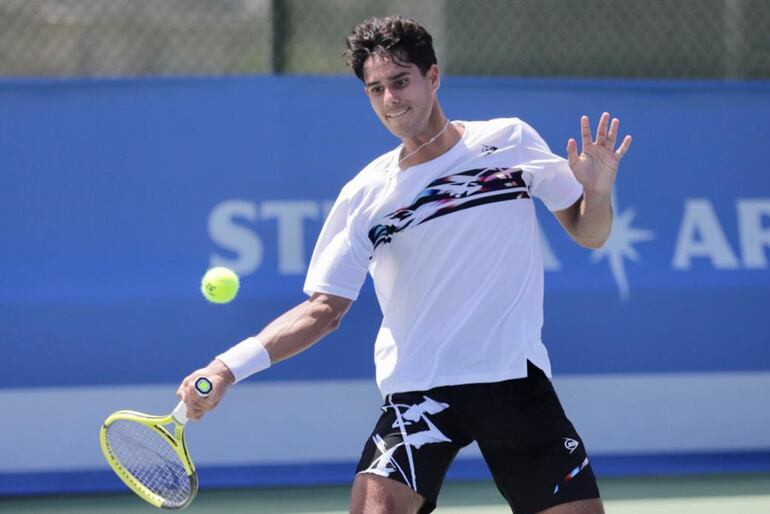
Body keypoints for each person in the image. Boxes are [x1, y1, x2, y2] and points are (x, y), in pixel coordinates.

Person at [177, 15, 632, 514]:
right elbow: (322, 310)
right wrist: (225, 368)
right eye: (376, 89)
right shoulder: (364, 195)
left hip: (513, 380)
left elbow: (590, 232)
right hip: (420, 392)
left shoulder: (509, 140)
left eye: (400, 81)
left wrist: (599, 192)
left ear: (432, 77)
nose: (391, 99)